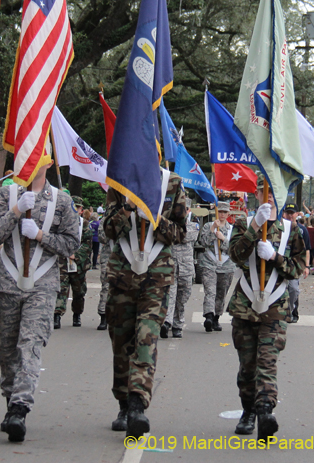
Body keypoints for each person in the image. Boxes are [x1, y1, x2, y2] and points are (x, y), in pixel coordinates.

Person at [0, 161, 80, 441]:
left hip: (43, 285)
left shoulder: (62, 200)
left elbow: (72, 243)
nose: (32, 159)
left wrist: (40, 235)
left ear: (48, 161)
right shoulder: (5, 195)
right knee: (8, 349)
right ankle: (10, 398)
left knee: (30, 344)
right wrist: (15, 211)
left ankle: (19, 407)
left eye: (39, 154)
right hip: (7, 282)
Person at [103, 172, 187, 440]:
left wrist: (154, 217)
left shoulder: (171, 183)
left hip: (156, 277)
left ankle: (138, 404)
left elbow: (179, 233)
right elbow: (108, 230)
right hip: (122, 275)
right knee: (121, 341)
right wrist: (127, 207)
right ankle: (124, 403)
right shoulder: (118, 180)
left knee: (146, 337)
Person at [227, 182, 306, 442]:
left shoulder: (290, 230)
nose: (268, 197)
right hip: (245, 306)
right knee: (247, 366)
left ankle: (265, 411)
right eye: (264, 192)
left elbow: (298, 268)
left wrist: (275, 258)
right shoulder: (243, 223)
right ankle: (248, 409)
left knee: (267, 363)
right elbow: (237, 256)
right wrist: (253, 229)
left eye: (273, 193)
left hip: (275, 308)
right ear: (255, 194)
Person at [197, 201, 235, 332]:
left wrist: (223, 239)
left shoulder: (232, 229)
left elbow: (235, 249)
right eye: (220, 212)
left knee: (221, 293)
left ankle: (216, 318)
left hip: (226, 266)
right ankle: (208, 316)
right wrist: (213, 230)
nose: (222, 215)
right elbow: (203, 242)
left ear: (228, 213)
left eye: (225, 212)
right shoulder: (208, 226)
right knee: (210, 291)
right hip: (209, 263)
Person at [162, 200, 198, 338]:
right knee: (170, 295)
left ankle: (178, 323)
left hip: (186, 268)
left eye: (185, 209)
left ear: (188, 210)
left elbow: (183, 237)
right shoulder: (168, 224)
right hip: (170, 265)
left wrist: (174, 232)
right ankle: (167, 322)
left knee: (183, 297)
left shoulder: (194, 226)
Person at [55, 208, 91, 328]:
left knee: (79, 291)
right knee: (61, 289)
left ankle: (77, 314)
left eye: (78, 208)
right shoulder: (60, 222)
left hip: (78, 264)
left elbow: (88, 243)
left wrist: (77, 255)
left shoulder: (84, 224)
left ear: (81, 211)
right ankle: (57, 315)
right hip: (62, 262)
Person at [96, 221, 110, 331]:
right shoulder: (106, 218)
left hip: (127, 257)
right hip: (109, 257)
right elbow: (102, 238)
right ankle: (103, 316)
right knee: (106, 287)